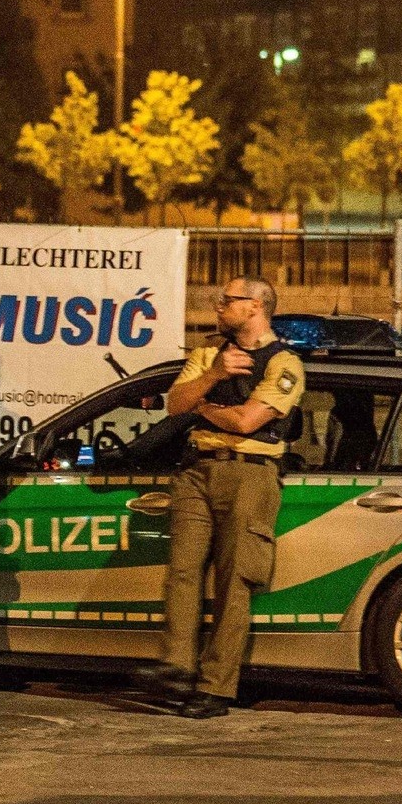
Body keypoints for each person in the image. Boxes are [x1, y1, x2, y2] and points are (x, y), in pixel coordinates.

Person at [139, 277, 304, 719]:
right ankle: (175, 670)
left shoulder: (284, 363)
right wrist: (213, 377)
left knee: (234, 584)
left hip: (250, 475)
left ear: (254, 306)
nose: (217, 306)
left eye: (227, 300)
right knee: (182, 572)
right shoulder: (207, 355)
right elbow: (175, 404)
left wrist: (204, 407)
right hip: (197, 471)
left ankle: (215, 689)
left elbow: (249, 421)